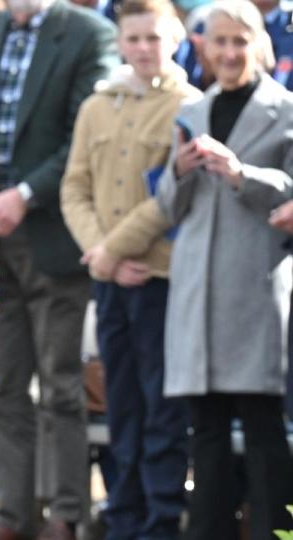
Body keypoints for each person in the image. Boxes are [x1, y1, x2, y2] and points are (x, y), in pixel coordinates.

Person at [0, 0, 117, 538]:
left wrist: (25, 195)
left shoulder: (88, 33)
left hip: (54, 236)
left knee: (61, 386)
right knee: (3, 385)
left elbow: (84, 140)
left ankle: (65, 514)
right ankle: (13, 515)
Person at [59, 0, 200, 538]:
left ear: (176, 39)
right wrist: (103, 255)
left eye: (154, 38)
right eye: (134, 38)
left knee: (162, 407)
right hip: (112, 278)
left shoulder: (189, 105)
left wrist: (108, 252)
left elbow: (172, 196)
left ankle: (161, 520)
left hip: (157, 277)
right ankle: (124, 516)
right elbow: (75, 187)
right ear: (119, 41)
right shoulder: (97, 106)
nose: (144, 48)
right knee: (120, 404)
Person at [156, 1, 293, 538]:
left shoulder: (285, 110)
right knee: (206, 431)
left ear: (258, 44)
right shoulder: (190, 114)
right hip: (196, 291)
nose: (231, 53)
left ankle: (275, 533)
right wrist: (179, 169)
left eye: (240, 42)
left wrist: (242, 175)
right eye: (220, 42)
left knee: (262, 429)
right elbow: (169, 207)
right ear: (205, 48)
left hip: (254, 284)